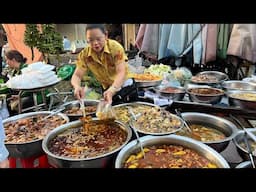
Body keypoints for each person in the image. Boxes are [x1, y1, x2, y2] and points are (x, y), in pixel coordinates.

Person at [71, 24, 132, 104]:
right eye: (91, 40)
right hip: (107, 88)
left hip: (125, 85)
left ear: (106, 35)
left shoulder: (115, 48)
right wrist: (77, 86)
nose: (95, 43)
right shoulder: (85, 55)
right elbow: (77, 75)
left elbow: (121, 72)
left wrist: (113, 89)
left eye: (98, 39)